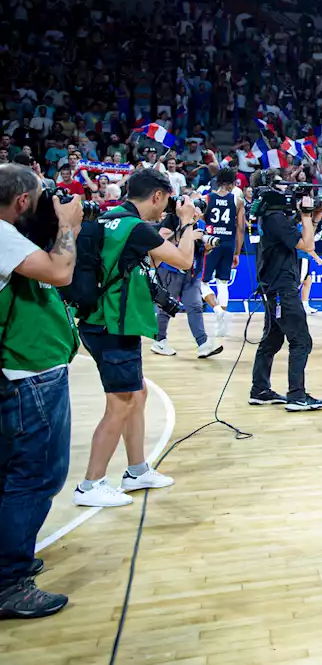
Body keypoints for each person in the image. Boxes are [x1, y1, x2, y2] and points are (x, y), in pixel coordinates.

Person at [75, 168, 190, 507]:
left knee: (136, 394)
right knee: (122, 402)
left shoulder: (112, 219)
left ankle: (137, 470)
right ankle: (90, 485)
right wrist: (189, 223)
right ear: (156, 195)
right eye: (166, 202)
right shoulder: (134, 227)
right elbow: (183, 260)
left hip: (101, 321)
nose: (165, 208)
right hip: (113, 324)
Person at [0, 165, 81, 618]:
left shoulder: (10, 234)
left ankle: (9, 562)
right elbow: (61, 271)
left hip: (23, 367)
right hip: (28, 371)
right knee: (37, 476)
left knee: (14, 472)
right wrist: (67, 225)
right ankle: (9, 582)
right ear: (23, 202)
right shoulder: (3, 235)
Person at [249, 183, 322, 411]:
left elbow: (299, 237)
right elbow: (308, 244)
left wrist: (311, 220)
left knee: (272, 340)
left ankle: (260, 390)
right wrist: (305, 215)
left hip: (273, 286)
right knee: (301, 340)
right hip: (283, 288)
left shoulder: (270, 219)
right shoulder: (276, 219)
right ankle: (297, 395)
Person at [150, 207, 223, 359]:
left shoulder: (201, 224)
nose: (197, 210)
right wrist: (187, 236)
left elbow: (202, 250)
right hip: (171, 269)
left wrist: (208, 247)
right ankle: (159, 340)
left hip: (192, 271)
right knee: (166, 306)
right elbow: (161, 241)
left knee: (195, 306)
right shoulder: (172, 219)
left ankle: (203, 344)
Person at [201, 167, 242, 333]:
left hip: (211, 243)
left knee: (201, 283)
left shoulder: (207, 198)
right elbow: (240, 229)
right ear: (232, 183)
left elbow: (201, 223)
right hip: (228, 243)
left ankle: (218, 311)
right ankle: (221, 326)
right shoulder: (238, 201)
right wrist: (237, 252)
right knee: (222, 283)